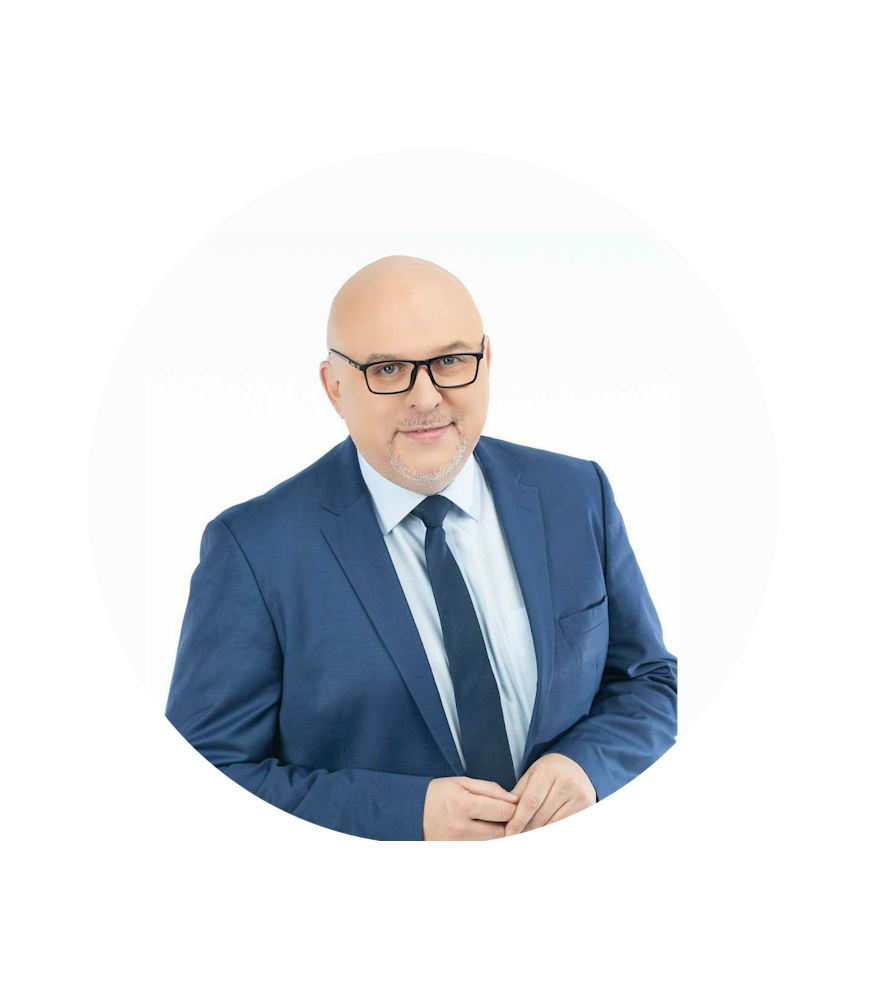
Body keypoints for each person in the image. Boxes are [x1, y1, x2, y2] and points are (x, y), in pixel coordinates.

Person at [164, 254, 677, 841]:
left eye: (451, 361)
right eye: (387, 369)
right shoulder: (254, 550)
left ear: (486, 362)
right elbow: (212, 768)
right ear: (334, 388)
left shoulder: (576, 493)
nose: (427, 397)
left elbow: (649, 680)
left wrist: (589, 765)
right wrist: (406, 816)